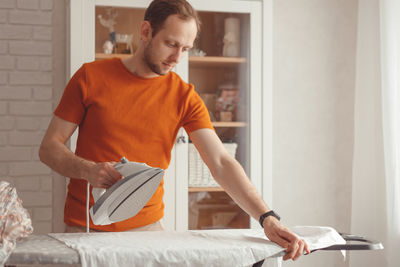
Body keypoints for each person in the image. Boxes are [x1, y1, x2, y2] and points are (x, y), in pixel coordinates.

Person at [39, 0, 309, 261]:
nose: (177, 57)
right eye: (171, 44)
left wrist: (267, 218)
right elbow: (49, 148)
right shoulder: (90, 77)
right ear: (146, 32)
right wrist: (87, 170)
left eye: (186, 48)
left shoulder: (184, 96)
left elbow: (222, 162)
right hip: (84, 230)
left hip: (148, 231)